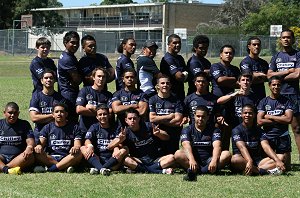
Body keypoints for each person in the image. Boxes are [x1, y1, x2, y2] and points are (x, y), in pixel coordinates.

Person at [108, 108, 175, 174]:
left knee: (171, 158)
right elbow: (109, 147)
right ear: (126, 120)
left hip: (156, 159)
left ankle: (142, 169)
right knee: (126, 160)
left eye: (134, 118)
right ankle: (156, 170)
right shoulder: (125, 132)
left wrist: (159, 134)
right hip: (139, 160)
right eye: (130, 119)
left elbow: (167, 137)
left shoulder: (149, 126)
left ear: (139, 119)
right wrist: (120, 140)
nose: (132, 120)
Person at [174, 106, 231, 181]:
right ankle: (207, 171)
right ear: (194, 116)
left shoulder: (214, 130)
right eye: (198, 116)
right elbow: (185, 145)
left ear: (208, 117)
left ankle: (196, 171)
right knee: (178, 154)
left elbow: (217, 146)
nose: (200, 119)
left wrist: (214, 161)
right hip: (194, 160)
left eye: (203, 117)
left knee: (226, 154)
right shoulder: (187, 129)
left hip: (209, 160)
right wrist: (191, 160)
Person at [267, 29, 300, 160]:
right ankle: (280, 158)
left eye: (288, 37)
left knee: (297, 129)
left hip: (293, 95)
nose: (286, 39)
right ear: (280, 40)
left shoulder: (298, 55)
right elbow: (269, 74)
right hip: (277, 96)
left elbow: (297, 74)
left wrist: (278, 77)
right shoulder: (276, 56)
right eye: (283, 37)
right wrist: (288, 71)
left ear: (293, 39)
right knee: (277, 127)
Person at [231, 104, 285, 175]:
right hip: (243, 160)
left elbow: (266, 146)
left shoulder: (259, 130)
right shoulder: (236, 130)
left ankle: (253, 170)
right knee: (235, 159)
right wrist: (249, 161)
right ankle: (263, 171)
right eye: (245, 113)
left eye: (250, 113)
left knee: (281, 157)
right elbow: (242, 147)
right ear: (241, 115)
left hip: (258, 162)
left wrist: (277, 160)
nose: (247, 115)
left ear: (254, 115)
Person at [257, 76, 293, 170]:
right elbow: (260, 121)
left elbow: (289, 119)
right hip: (269, 137)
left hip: (283, 136)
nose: (276, 87)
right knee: (270, 163)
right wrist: (280, 118)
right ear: (269, 86)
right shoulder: (263, 102)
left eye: (278, 85)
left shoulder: (287, 101)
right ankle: (261, 170)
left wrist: (270, 116)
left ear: (281, 86)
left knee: (287, 168)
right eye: (273, 85)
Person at [34, 103, 82, 172]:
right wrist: (39, 146)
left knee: (79, 153)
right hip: (51, 158)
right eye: (56, 112)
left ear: (66, 114)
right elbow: (41, 143)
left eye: (62, 111)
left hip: (67, 157)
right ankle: (64, 167)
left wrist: (75, 147)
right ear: (53, 114)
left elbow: (77, 145)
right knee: (37, 152)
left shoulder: (74, 127)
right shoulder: (47, 127)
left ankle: (52, 169)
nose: (59, 114)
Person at [80, 105, 127, 175]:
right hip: (98, 158)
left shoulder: (116, 127)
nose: (102, 116)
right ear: (97, 117)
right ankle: (102, 168)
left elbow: (120, 144)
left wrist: (117, 147)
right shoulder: (94, 127)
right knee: (83, 147)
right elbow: (87, 139)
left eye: (105, 114)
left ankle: (100, 168)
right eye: (100, 114)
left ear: (109, 115)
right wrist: (90, 146)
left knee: (125, 149)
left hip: (112, 159)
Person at [210, 45, 241, 150]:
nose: (228, 55)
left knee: (228, 128)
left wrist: (230, 82)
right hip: (217, 103)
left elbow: (239, 84)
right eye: (226, 53)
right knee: (217, 128)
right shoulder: (215, 66)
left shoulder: (235, 69)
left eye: (230, 53)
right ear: (221, 54)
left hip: (231, 103)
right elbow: (220, 80)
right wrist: (233, 79)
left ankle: (225, 154)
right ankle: (214, 155)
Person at [149, 75, 183, 155]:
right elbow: (152, 118)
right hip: (158, 131)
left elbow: (178, 121)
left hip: (173, 132)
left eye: (167, 83)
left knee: (173, 156)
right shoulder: (152, 99)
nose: (165, 85)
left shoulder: (176, 100)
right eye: (162, 83)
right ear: (157, 86)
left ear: (170, 85)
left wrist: (160, 120)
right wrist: (169, 116)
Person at [29, 69, 66, 143]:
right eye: (46, 78)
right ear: (41, 81)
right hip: (39, 133)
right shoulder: (36, 97)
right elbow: (34, 118)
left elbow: (61, 118)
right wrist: (53, 115)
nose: (48, 80)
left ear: (54, 80)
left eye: (51, 78)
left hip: (55, 133)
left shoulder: (60, 98)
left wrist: (42, 117)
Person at [0, 102, 35, 175]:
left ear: (18, 113)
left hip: (18, 157)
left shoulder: (24, 124)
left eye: (15, 113)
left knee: (30, 156)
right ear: (4, 113)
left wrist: (29, 147)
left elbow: (30, 141)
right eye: (10, 113)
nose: (12, 115)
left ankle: (3, 168)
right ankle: (8, 170)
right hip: (2, 157)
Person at [76, 68, 113, 134]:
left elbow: (110, 113)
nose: (101, 79)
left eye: (103, 77)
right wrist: (102, 114)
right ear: (93, 77)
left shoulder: (108, 95)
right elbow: (79, 109)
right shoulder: (85, 90)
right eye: (99, 76)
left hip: (102, 131)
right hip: (85, 129)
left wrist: (93, 108)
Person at [57, 31, 81, 122]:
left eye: (77, 43)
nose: (75, 45)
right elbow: (77, 80)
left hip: (66, 91)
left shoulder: (68, 56)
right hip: (68, 93)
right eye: (72, 42)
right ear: (65, 43)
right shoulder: (67, 59)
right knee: (71, 120)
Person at [160, 34, 188, 102]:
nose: (177, 45)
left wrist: (184, 75)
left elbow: (186, 77)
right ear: (169, 44)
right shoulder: (168, 59)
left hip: (180, 93)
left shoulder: (180, 58)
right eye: (174, 43)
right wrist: (185, 74)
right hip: (170, 95)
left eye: (179, 43)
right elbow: (179, 76)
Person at [239, 36, 269, 102]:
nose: (256, 46)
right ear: (249, 46)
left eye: (258, 45)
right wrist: (261, 75)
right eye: (254, 45)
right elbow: (248, 76)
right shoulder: (245, 62)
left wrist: (256, 76)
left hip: (261, 95)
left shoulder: (264, 63)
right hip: (248, 96)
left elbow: (269, 77)